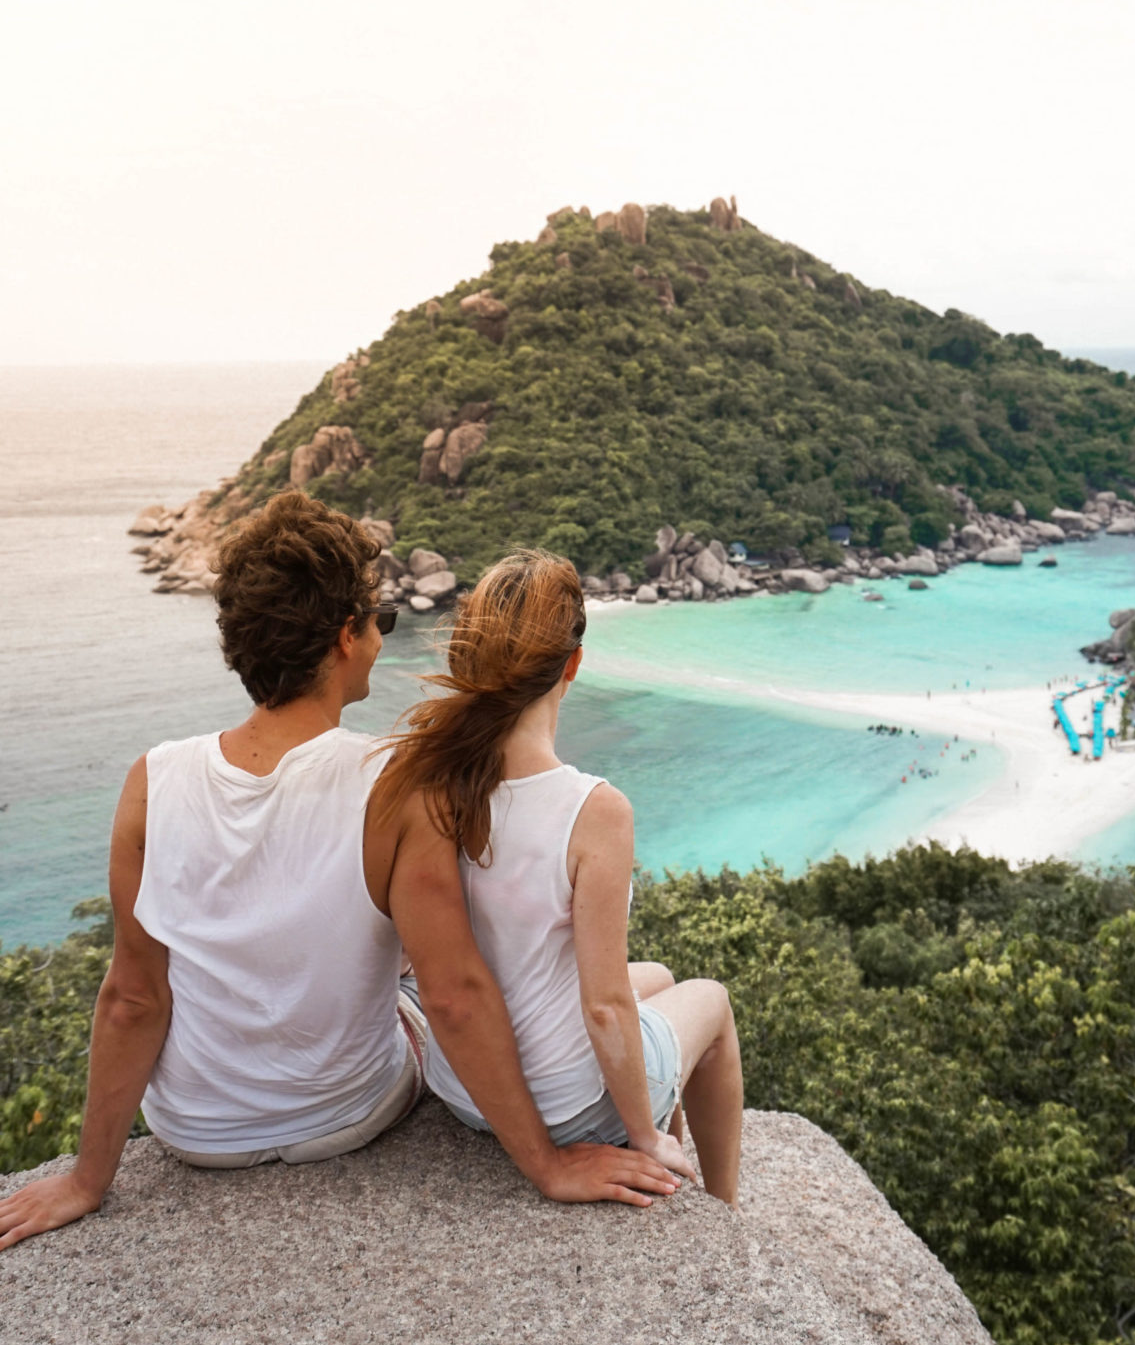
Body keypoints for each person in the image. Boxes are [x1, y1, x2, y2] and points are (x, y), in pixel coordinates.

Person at [0, 496, 678, 1252]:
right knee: (427, 992)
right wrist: (547, 1165)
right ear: (344, 640)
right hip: (347, 1115)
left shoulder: (152, 781)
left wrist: (87, 1182)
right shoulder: (391, 782)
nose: (382, 639)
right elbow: (456, 997)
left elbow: (132, 996)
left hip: (198, 1131)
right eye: (376, 622)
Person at [372, 548, 743, 1202]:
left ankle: (665, 1133)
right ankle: (718, 1201)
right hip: (568, 1106)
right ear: (572, 664)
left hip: (464, 1088)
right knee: (709, 998)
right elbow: (602, 1006)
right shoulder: (594, 810)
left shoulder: (430, 782)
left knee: (656, 979)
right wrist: (640, 1131)